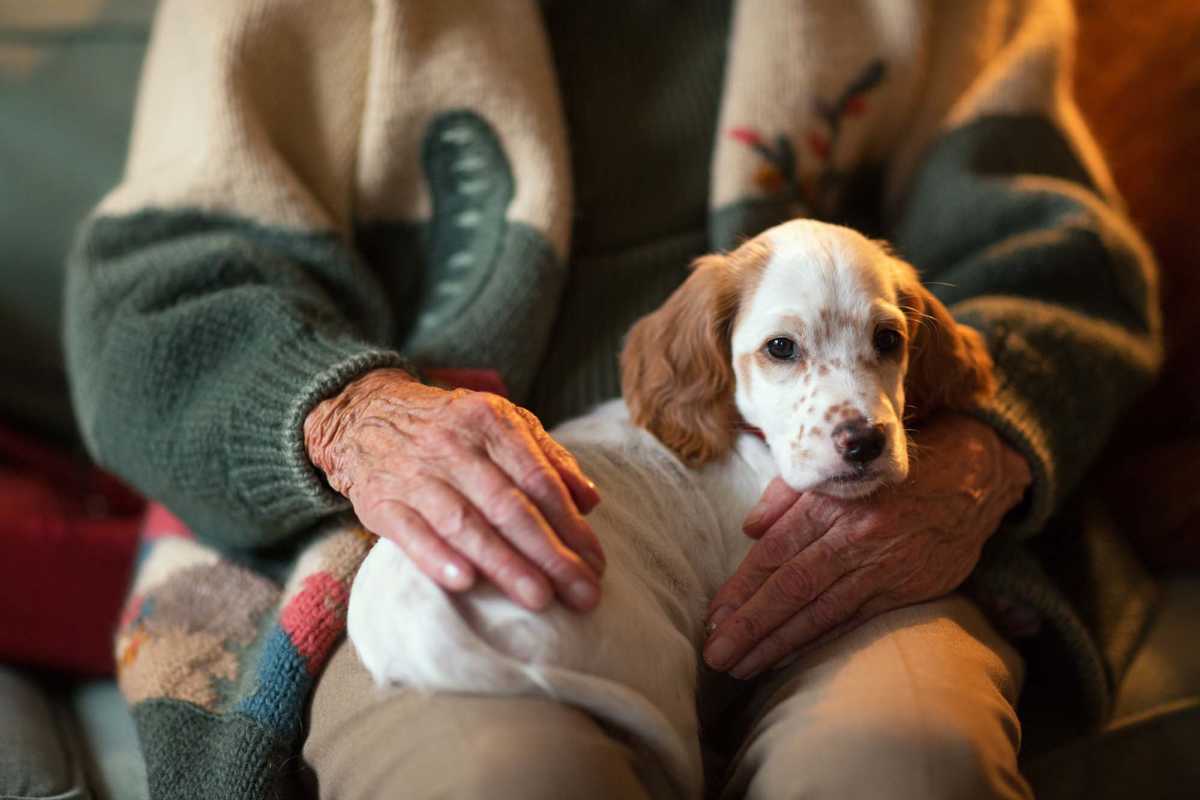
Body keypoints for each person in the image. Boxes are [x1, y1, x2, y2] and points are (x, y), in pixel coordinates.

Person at [64, 1, 1162, 798]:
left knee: (905, 764)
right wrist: (355, 417)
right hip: (441, 536)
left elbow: (1058, 251)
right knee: (509, 781)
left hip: (848, 523)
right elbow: (158, 286)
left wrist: (978, 445)